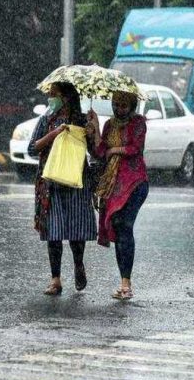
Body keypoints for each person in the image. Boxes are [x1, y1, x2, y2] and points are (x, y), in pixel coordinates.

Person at [27, 82, 97, 296]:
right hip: (51, 181)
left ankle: (78, 265)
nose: (50, 98)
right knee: (53, 232)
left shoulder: (83, 120)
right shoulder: (46, 120)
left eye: (53, 94)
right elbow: (31, 148)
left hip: (76, 180)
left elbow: (96, 152)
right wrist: (55, 134)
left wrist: (95, 130)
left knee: (77, 229)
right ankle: (55, 279)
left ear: (66, 97)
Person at [87, 91, 149, 300]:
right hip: (113, 184)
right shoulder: (109, 125)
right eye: (115, 104)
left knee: (125, 225)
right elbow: (100, 152)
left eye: (123, 105)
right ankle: (123, 283)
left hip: (134, 183)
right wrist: (94, 129)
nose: (118, 108)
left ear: (131, 106)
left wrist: (114, 150)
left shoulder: (139, 123)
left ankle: (126, 283)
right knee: (117, 226)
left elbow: (135, 148)